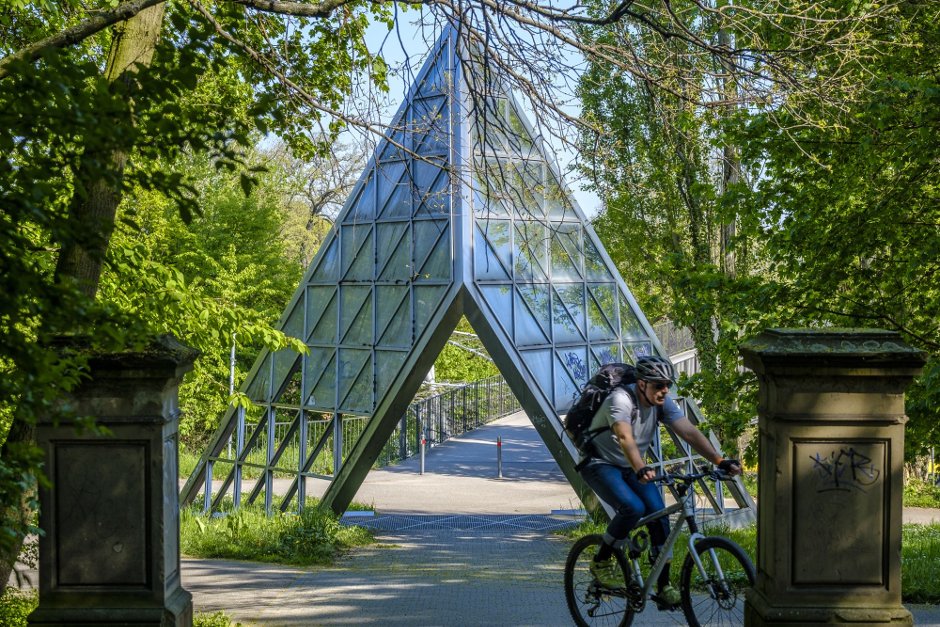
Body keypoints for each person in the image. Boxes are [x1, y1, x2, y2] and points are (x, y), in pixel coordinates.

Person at [578, 355, 741, 607]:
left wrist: (719, 461)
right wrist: (641, 466)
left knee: (659, 514)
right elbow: (624, 437)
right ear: (642, 383)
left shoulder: (662, 403)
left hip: (631, 466)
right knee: (632, 507)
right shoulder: (620, 399)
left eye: (667, 385)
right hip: (599, 462)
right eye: (658, 385)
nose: (664, 390)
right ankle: (601, 560)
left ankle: (664, 585)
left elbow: (688, 431)